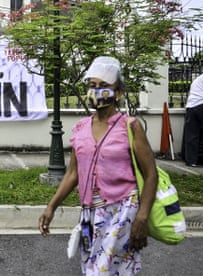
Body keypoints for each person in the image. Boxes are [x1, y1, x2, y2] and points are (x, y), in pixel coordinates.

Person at [38, 56, 158, 275]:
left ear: (118, 93)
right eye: (92, 86)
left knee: (100, 272)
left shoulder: (130, 126)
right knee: (93, 269)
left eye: (104, 86)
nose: (96, 91)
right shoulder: (81, 128)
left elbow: (151, 174)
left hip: (121, 210)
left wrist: (142, 216)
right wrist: (51, 207)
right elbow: (73, 173)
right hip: (89, 215)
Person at [183, 73, 203, 167]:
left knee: (192, 135)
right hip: (201, 105)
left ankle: (191, 161)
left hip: (191, 106)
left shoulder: (199, 79)